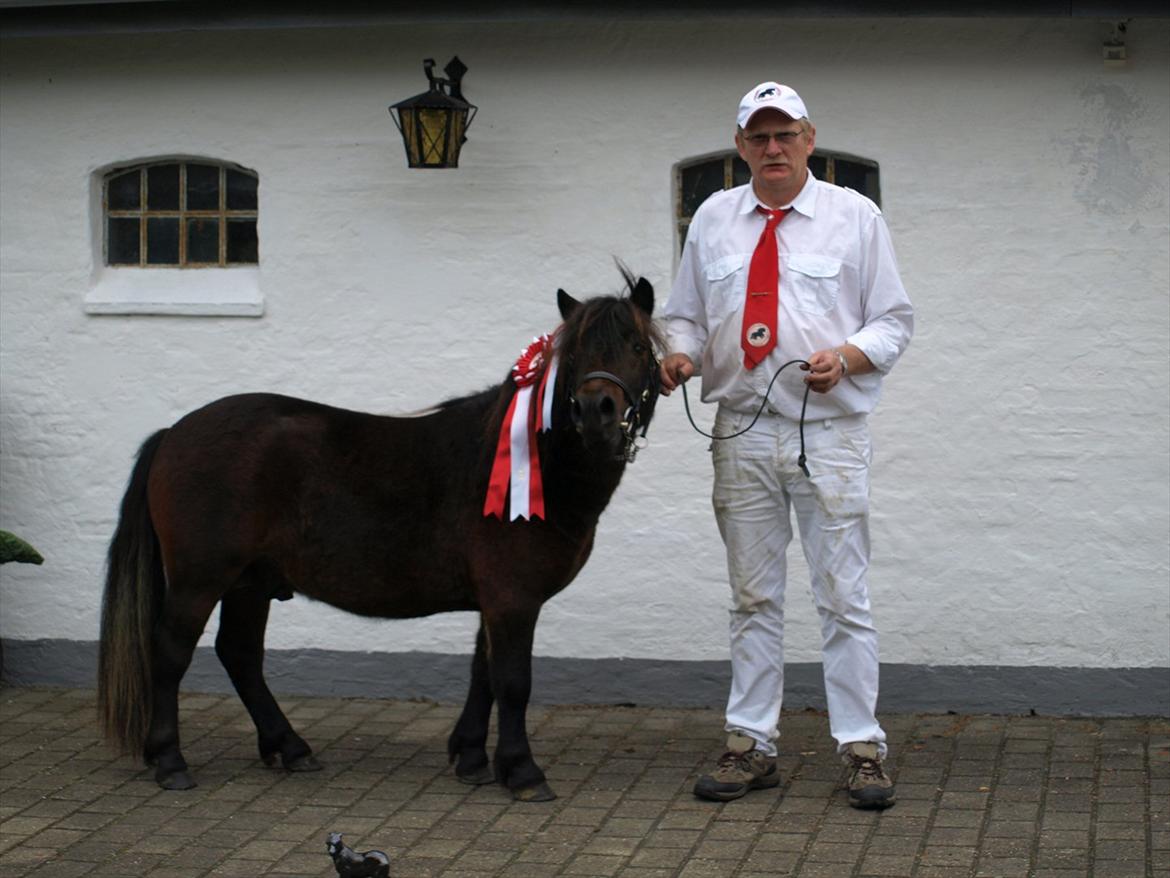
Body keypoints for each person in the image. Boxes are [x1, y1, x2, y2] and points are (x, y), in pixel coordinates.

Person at [660, 81, 914, 808]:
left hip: (829, 433)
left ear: (809, 139)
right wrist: (679, 355)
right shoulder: (712, 218)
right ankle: (750, 745)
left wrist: (852, 356)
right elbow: (683, 315)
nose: (773, 149)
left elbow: (894, 320)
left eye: (785, 135)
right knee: (752, 598)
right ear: (741, 147)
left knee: (843, 597)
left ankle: (862, 747)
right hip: (740, 432)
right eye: (759, 138)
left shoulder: (854, 217)